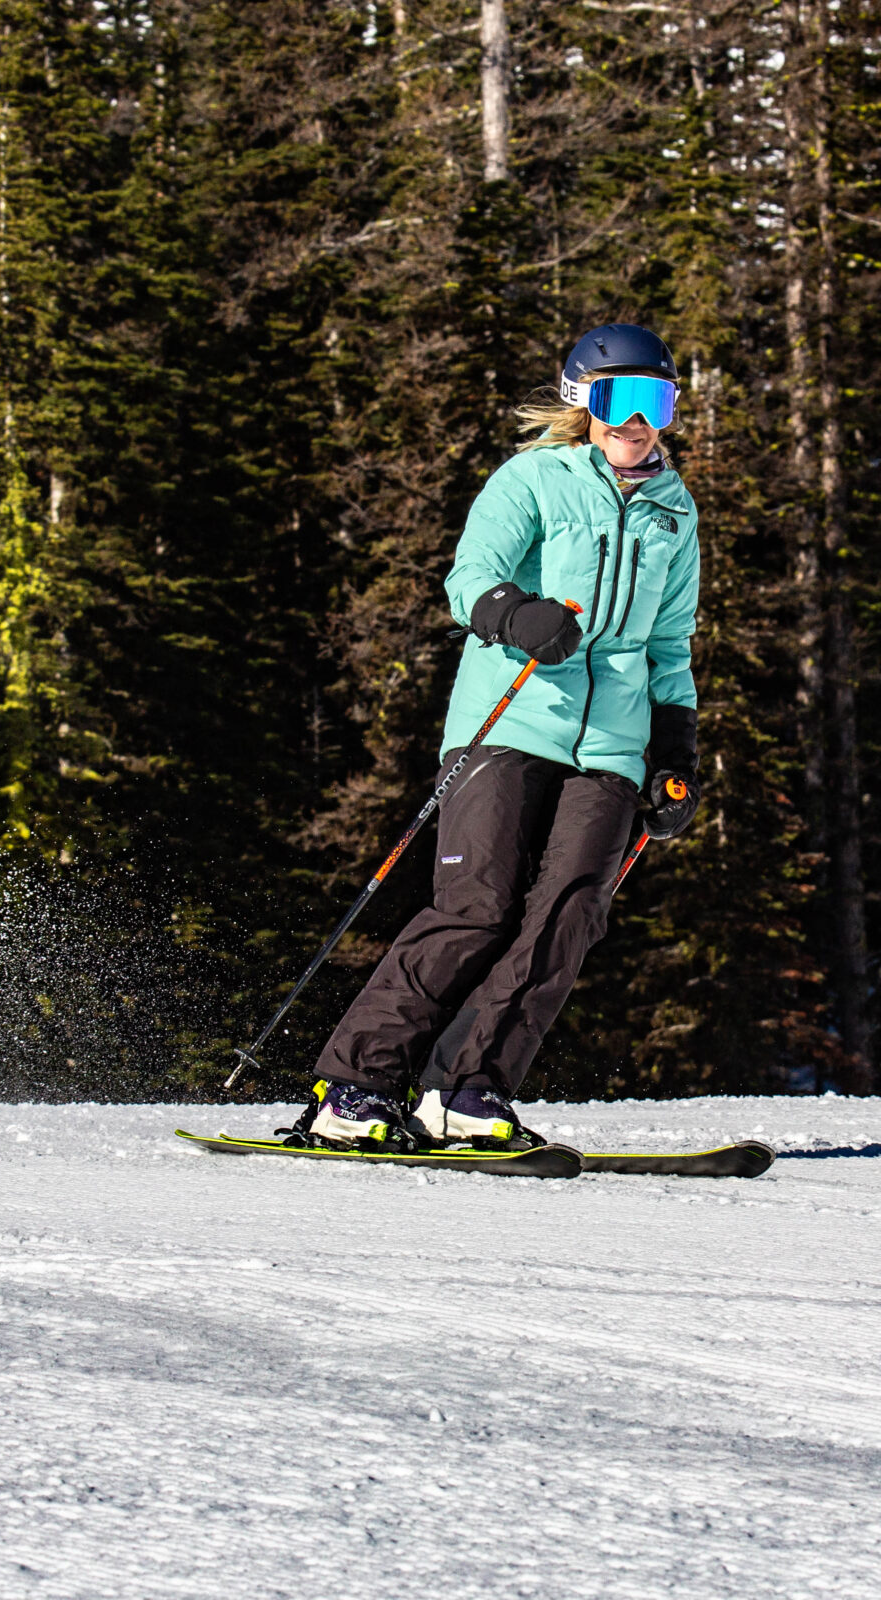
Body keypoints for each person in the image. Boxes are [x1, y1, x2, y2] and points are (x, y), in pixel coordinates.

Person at [307, 324, 703, 1149]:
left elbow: (669, 648)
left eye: (656, 400)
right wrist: (519, 616)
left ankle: (465, 1091)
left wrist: (676, 754)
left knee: (567, 916)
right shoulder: (534, 479)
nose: (639, 421)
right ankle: (355, 1088)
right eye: (620, 400)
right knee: (478, 909)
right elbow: (469, 582)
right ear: (583, 403)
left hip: (614, 747)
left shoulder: (675, 510)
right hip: (511, 720)